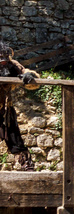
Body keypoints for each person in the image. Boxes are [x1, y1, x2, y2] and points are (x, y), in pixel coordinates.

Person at [0, 39, 39, 171]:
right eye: (0, 57)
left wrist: (29, 76)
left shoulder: (12, 64)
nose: (3, 59)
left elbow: (25, 72)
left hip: (4, 110)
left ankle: (26, 166)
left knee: (14, 138)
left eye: (5, 56)